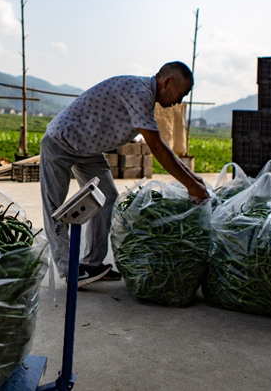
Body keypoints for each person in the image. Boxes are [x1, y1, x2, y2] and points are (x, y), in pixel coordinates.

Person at [40, 61, 209, 288]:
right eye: (182, 93)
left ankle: (91, 264)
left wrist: (194, 180)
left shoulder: (145, 98)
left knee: (107, 197)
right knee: (54, 209)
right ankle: (69, 271)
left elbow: (160, 145)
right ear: (168, 82)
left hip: (87, 149)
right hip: (61, 141)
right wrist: (190, 184)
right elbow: (157, 147)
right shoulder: (140, 92)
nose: (180, 101)